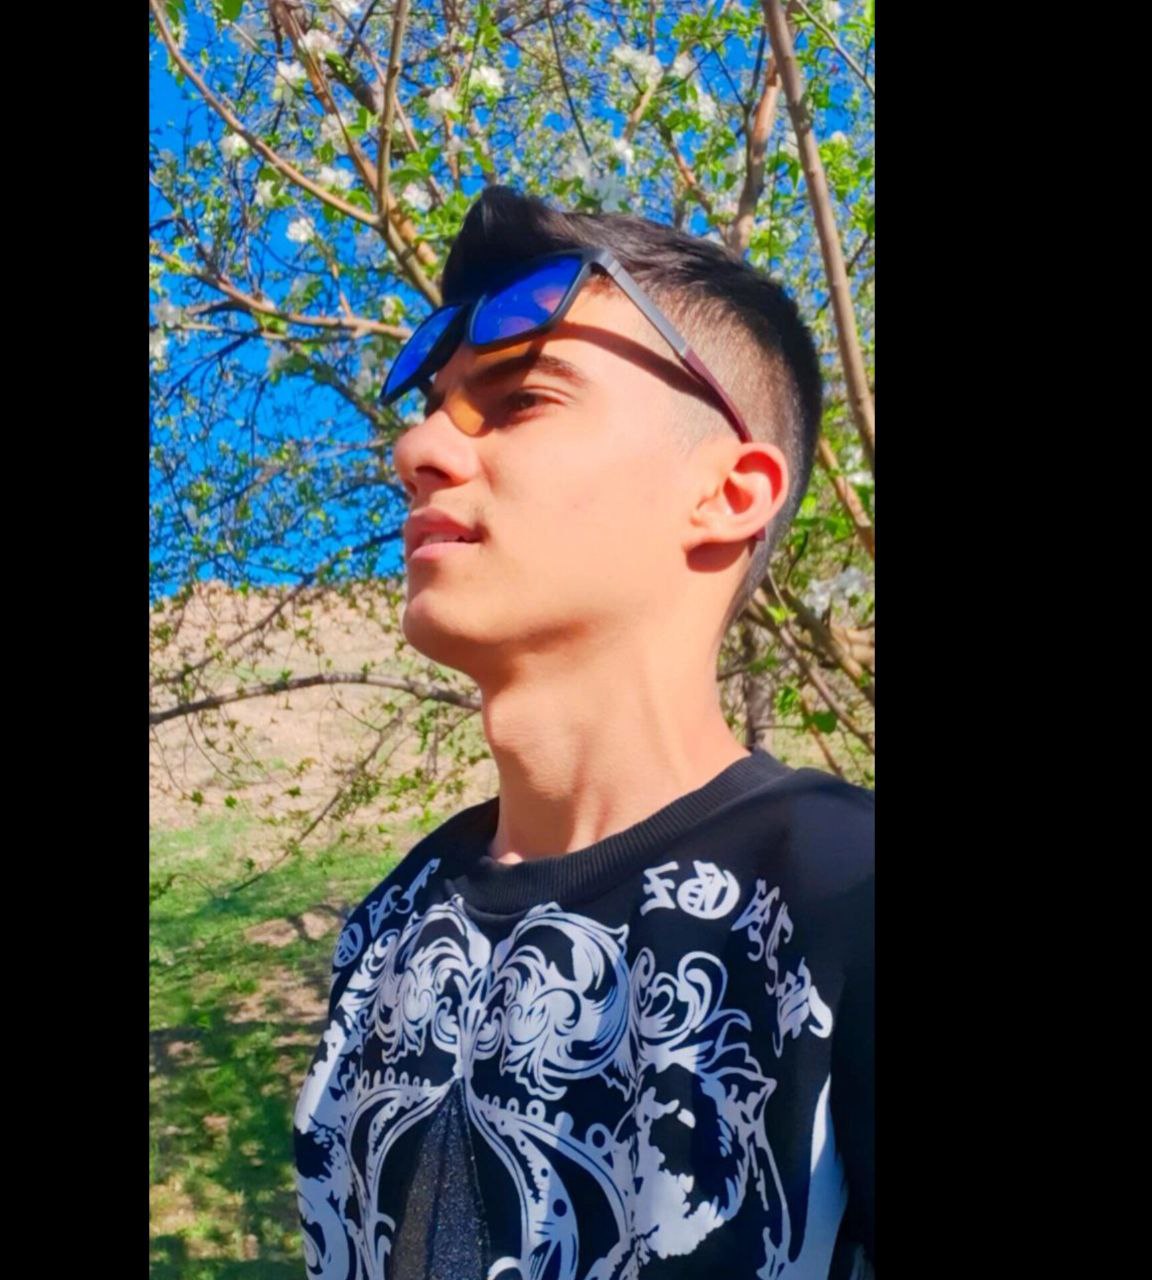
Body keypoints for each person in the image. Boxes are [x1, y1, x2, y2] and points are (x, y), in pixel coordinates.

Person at [293, 185, 874, 1280]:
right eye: (431, 409)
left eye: (521, 398)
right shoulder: (385, 930)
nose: (416, 448)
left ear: (727, 492)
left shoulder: (844, 890)